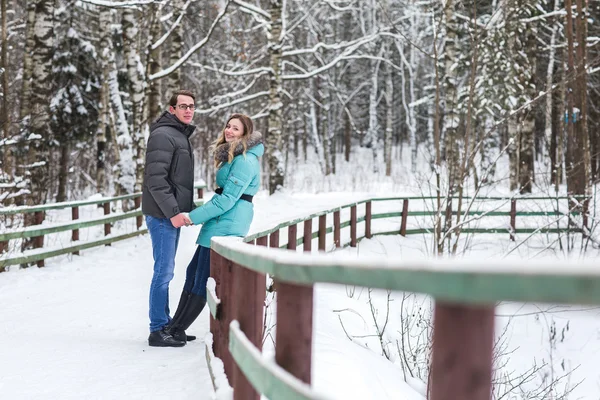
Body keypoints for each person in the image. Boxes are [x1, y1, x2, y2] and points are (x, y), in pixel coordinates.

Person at [166, 113, 264, 343]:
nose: (229, 131)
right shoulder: (234, 156)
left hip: (227, 223)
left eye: (236, 129)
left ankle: (176, 328)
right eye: (228, 126)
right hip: (220, 220)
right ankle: (175, 327)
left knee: (202, 279)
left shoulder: (245, 161)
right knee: (193, 274)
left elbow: (227, 199)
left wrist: (192, 217)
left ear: (245, 134)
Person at [142, 90, 196, 347]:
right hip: (162, 215)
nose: (188, 110)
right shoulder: (163, 135)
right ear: (172, 109)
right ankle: (157, 329)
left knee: (166, 270)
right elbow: (156, 180)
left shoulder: (179, 135)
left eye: (192, 106)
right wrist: (174, 212)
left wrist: (189, 210)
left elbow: (178, 181)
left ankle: (167, 325)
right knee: (163, 272)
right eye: (183, 106)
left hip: (171, 214)